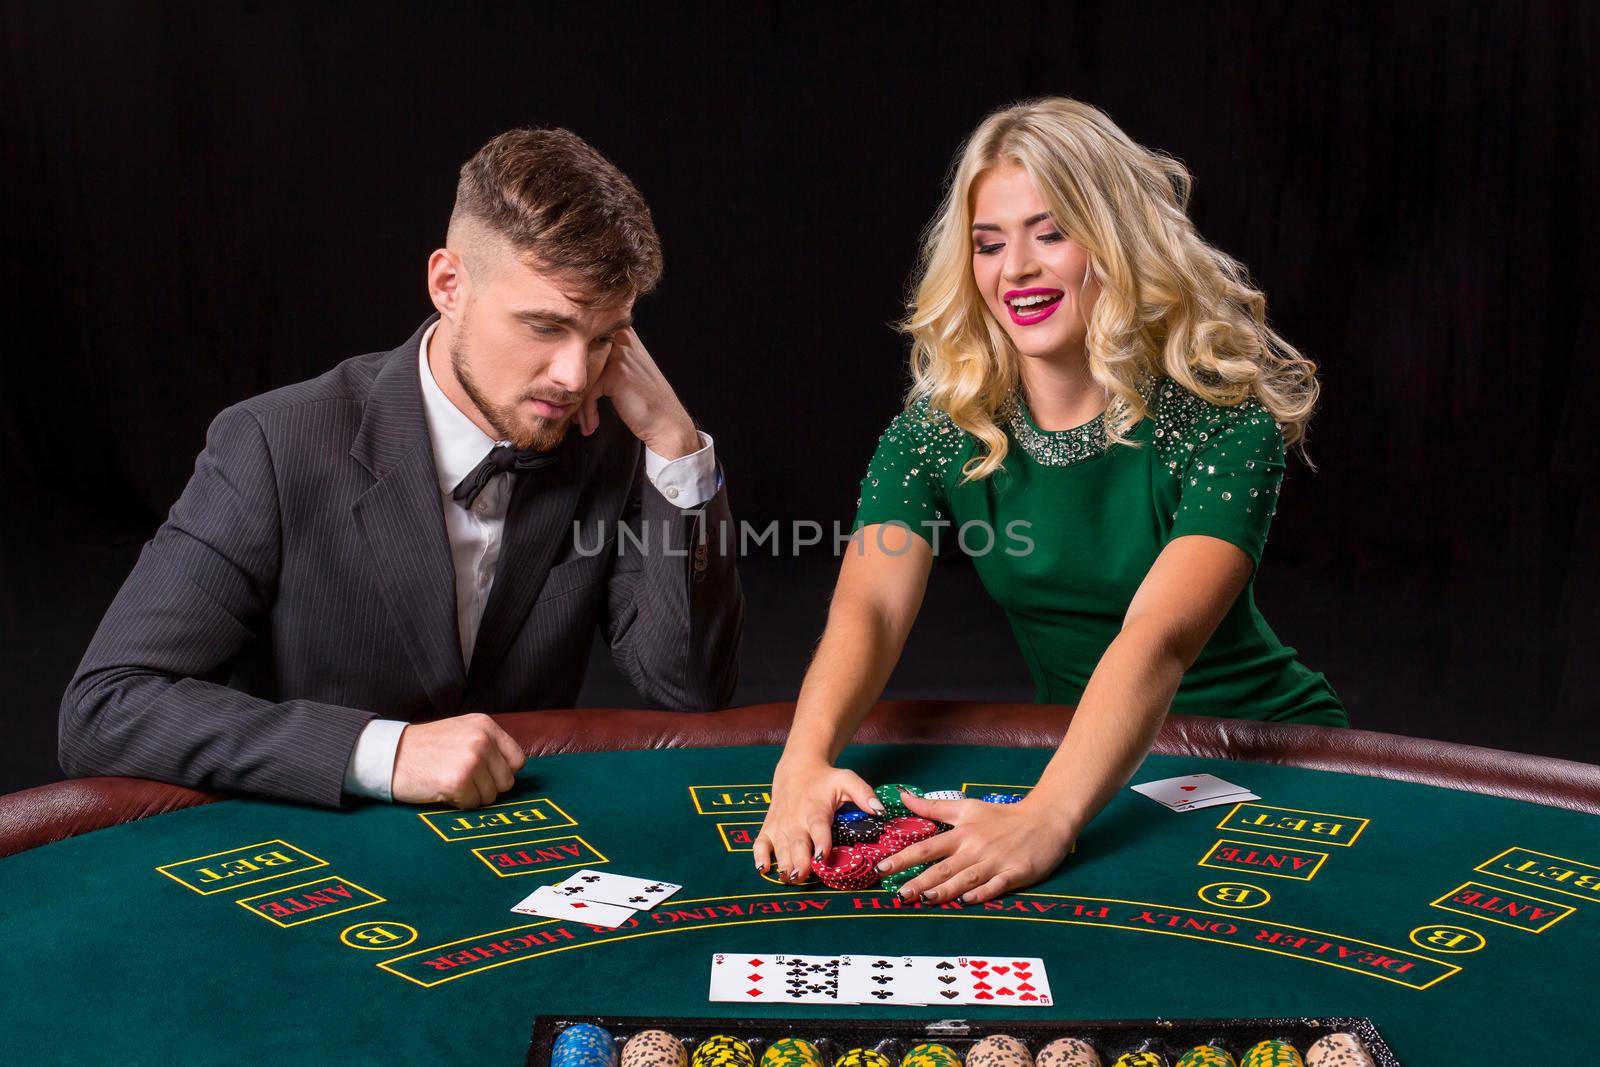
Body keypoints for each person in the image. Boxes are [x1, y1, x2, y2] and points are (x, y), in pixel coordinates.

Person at [754, 97, 1344, 904]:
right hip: (1085, 762)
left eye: (1052, 232)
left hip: (1262, 755)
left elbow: (1158, 637)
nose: (1016, 269)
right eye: (989, 243)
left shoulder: (1222, 419)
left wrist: (1050, 816)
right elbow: (872, 605)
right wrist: (804, 758)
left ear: (1114, 242)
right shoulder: (941, 426)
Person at [60, 128, 743, 811]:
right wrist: (380, 753)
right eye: (544, 327)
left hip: (519, 853)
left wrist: (677, 446)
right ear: (448, 284)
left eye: (603, 339)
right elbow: (106, 706)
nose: (572, 375)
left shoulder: (614, 448)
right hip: (313, 861)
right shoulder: (273, 444)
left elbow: (689, 689)